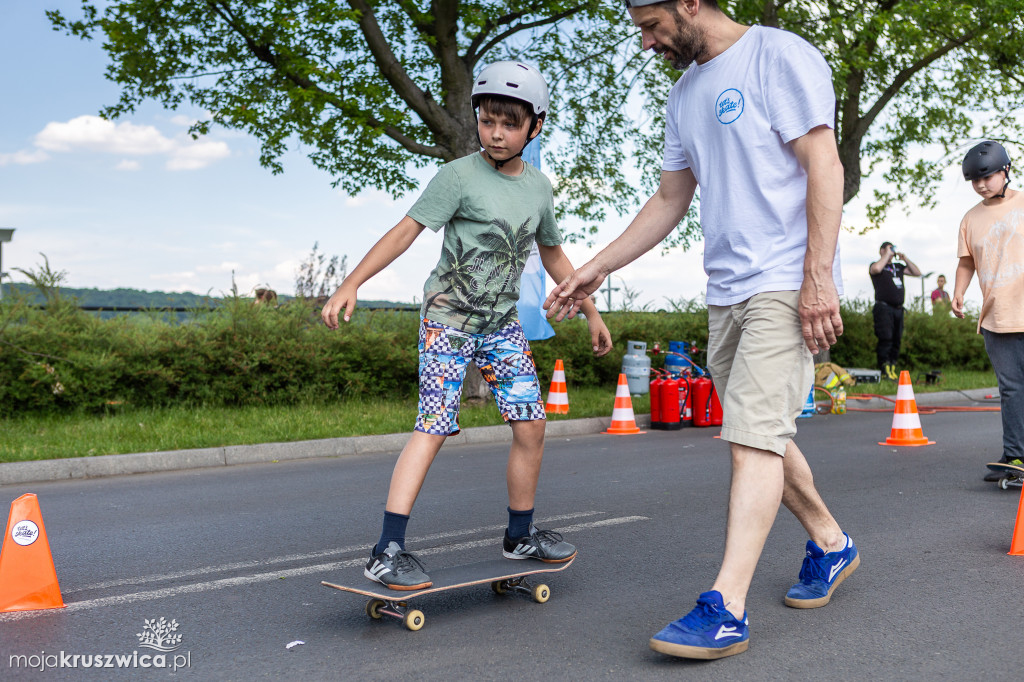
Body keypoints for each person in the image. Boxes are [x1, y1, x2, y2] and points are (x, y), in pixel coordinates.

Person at [547, 0, 858, 660]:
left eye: (652, 25)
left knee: (753, 436)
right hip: (726, 289)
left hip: (784, 277)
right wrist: (595, 268)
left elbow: (824, 166)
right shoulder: (685, 95)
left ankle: (726, 607)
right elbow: (669, 198)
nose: (646, 42)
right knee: (758, 427)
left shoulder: (781, 56)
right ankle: (832, 542)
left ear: (690, 3)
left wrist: (818, 276)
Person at [321, 61, 613, 590]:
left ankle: (519, 535)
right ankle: (385, 550)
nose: (496, 133)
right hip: (448, 322)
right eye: (487, 120)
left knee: (531, 425)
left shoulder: (539, 188)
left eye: (509, 124)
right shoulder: (457, 175)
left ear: (534, 127)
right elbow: (404, 232)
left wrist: (591, 311)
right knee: (433, 426)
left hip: (500, 326)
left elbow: (553, 254)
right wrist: (351, 283)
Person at [951, 140, 1024, 481]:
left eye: (988, 176)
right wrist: (959, 291)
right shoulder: (970, 219)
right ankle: (1016, 455)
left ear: (1005, 171)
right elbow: (966, 261)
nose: (981, 184)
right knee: (1011, 389)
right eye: (974, 180)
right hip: (997, 318)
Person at [869, 242, 922, 379]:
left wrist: (905, 259)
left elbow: (917, 273)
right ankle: (884, 369)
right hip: (883, 308)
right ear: (882, 251)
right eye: (889, 248)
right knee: (885, 338)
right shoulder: (877, 265)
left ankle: (892, 367)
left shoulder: (897, 267)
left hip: (898, 309)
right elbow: (875, 269)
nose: (892, 251)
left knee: (896, 340)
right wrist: (886, 255)